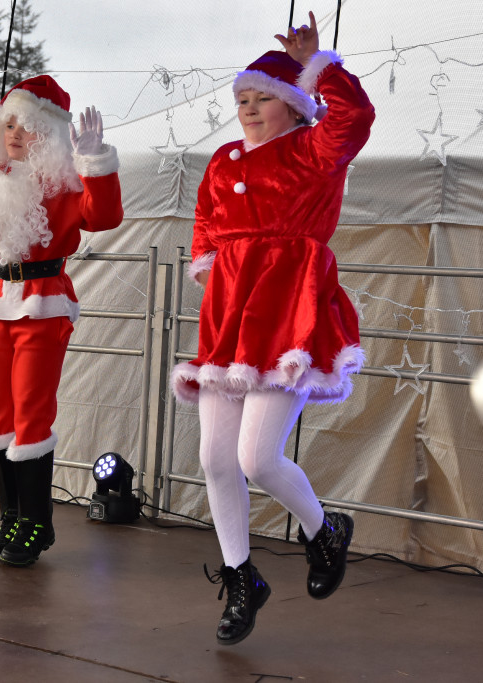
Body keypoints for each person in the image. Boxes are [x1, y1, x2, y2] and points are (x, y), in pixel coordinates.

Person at [171, 12, 375, 644]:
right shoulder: (223, 159)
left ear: (292, 104)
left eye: (262, 98)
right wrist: (216, 268)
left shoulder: (314, 150)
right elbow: (206, 218)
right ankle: (241, 579)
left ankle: (323, 531)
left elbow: (353, 119)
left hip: (288, 310)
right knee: (213, 457)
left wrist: (321, 66)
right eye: (241, 98)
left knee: (257, 459)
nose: (249, 108)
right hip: (231, 314)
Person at [0, 75, 124, 567]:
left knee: (31, 410)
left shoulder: (63, 185)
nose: (14, 134)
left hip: (42, 302)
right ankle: (11, 517)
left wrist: (94, 160)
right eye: (8, 124)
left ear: (45, 134)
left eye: (25, 127)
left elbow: (105, 215)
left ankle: (37, 522)